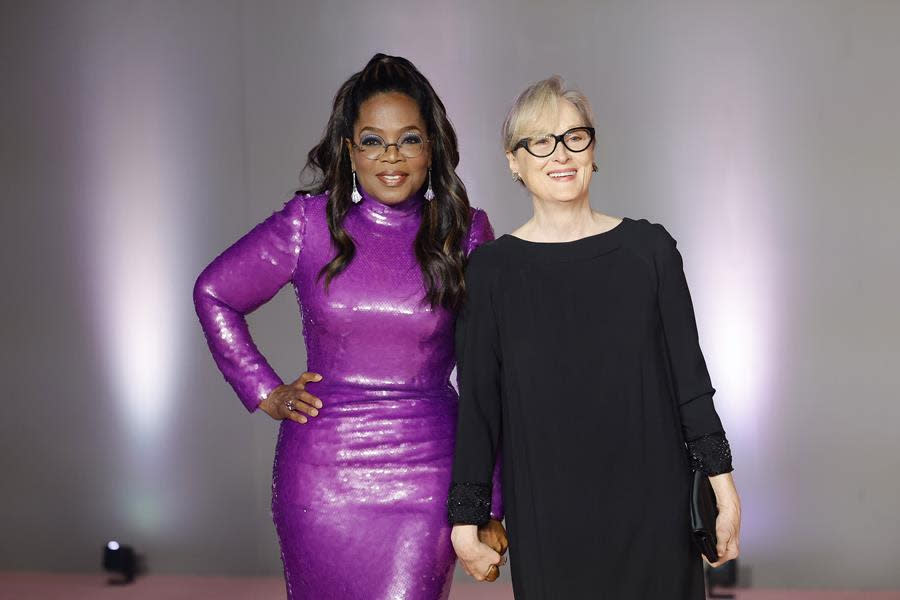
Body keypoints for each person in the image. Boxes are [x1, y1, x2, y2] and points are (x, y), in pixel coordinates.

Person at [194, 54, 505, 600]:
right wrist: (263, 390)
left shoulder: (466, 233)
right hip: (321, 476)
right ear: (348, 149)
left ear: (432, 147)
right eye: (372, 140)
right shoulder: (308, 224)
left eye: (408, 139)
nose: (391, 156)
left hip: (428, 475)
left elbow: (492, 376)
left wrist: (491, 502)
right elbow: (215, 293)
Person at [448, 76, 741, 599]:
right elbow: (479, 407)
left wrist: (724, 486)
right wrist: (466, 515)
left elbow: (690, 383)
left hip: (656, 512)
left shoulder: (649, 251)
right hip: (549, 517)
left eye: (573, 136)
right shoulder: (490, 271)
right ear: (513, 161)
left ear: (593, 149)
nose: (560, 153)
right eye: (539, 141)